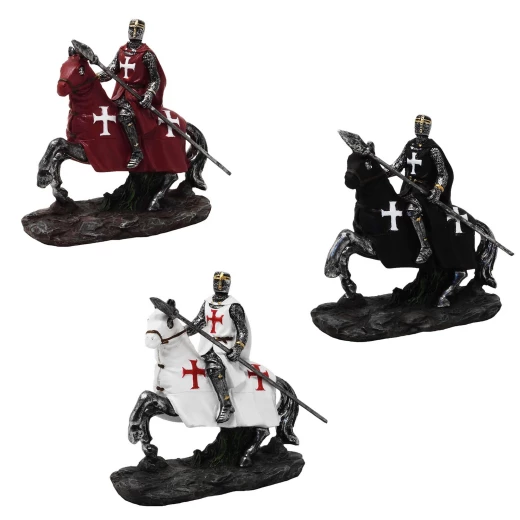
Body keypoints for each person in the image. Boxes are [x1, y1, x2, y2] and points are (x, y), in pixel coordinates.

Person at [98, 19, 166, 169]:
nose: (134, 33)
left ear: (142, 32)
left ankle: (137, 152)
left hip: (136, 95)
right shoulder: (121, 51)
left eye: (138, 30)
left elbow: (155, 79)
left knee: (124, 116)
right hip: (120, 94)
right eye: (132, 29)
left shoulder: (147, 54)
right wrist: (93, 77)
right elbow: (110, 72)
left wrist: (149, 94)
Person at [390, 115, 454, 263]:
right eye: (418, 126)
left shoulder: (432, 149)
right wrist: (379, 174)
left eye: (423, 127)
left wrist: (437, 190)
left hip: (424, 190)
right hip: (407, 189)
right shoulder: (409, 145)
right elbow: (397, 166)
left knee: (413, 210)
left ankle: (425, 247)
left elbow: (443, 173)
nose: (420, 130)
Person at [189, 272, 250, 423]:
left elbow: (242, 330)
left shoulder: (233, 306)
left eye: (223, 282)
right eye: (217, 282)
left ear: (229, 284)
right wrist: (181, 332)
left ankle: (226, 404)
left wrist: (238, 348)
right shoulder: (207, 302)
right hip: (205, 347)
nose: (220, 285)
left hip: (223, 348)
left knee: (214, 368)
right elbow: (198, 322)